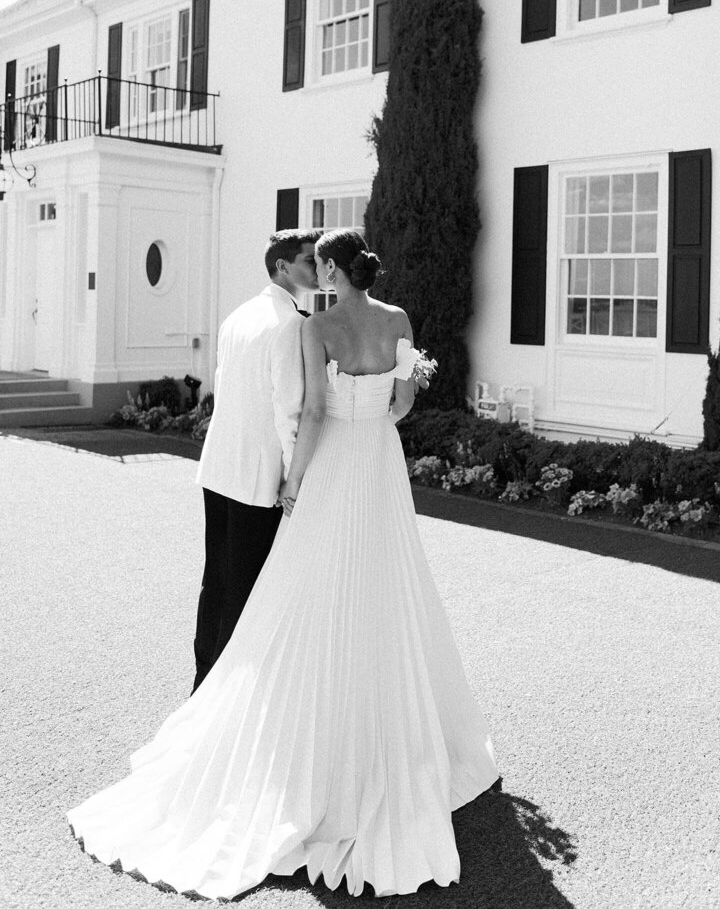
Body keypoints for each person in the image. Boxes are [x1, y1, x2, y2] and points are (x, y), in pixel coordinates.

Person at [68, 229, 498, 899]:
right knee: (389, 581)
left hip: (330, 467)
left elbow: (314, 411)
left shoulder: (317, 324)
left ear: (330, 267)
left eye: (318, 262)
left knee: (300, 592)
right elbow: (404, 403)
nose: (314, 271)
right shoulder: (399, 319)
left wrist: (293, 482)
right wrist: (388, 400)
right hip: (380, 464)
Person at [191, 228, 320, 690]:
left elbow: (223, 389)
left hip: (219, 465)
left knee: (217, 580)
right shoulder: (289, 323)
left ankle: (204, 678)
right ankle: (225, 695)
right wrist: (294, 476)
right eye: (309, 260)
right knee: (245, 587)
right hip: (256, 474)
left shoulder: (238, 315)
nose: (318, 268)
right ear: (283, 267)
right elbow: (289, 407)